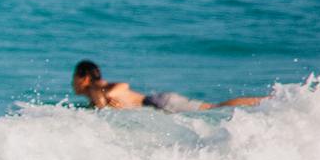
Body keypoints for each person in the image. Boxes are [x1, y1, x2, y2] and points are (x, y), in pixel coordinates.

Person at [71, 61, 263, 112]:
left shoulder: (98, 87)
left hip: (159, 102)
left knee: (213, 107)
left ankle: (262, 101)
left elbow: (123, 85)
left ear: (84, 78)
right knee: (213, 108)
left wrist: (110, 96)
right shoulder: (94, 93)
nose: (72, 83)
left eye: (74, 77)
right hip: (158, 105)